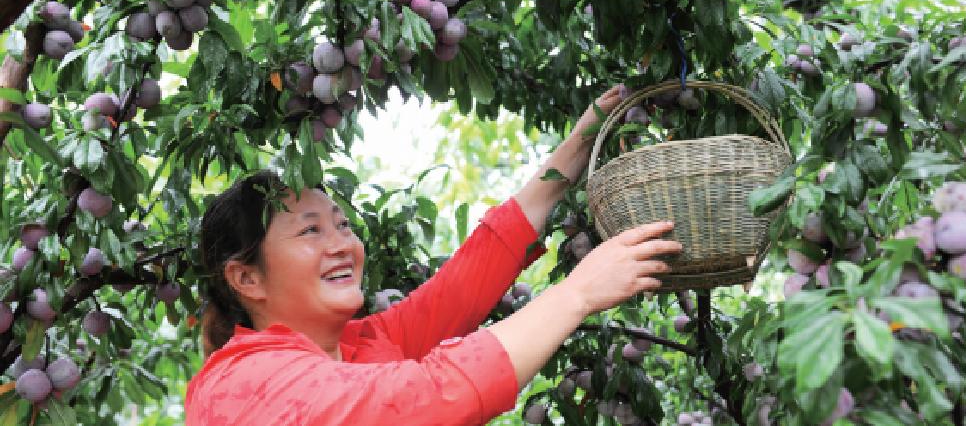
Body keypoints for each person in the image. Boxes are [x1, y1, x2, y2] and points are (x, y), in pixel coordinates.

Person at [184, 86, 683, 425]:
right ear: (247, 279)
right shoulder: (239, 385)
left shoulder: (363, 343)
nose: (342, 243)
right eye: (310, 231)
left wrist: (580, 142)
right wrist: (576, 293)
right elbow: (422, 400)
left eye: (341, 224)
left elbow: (468, 279)